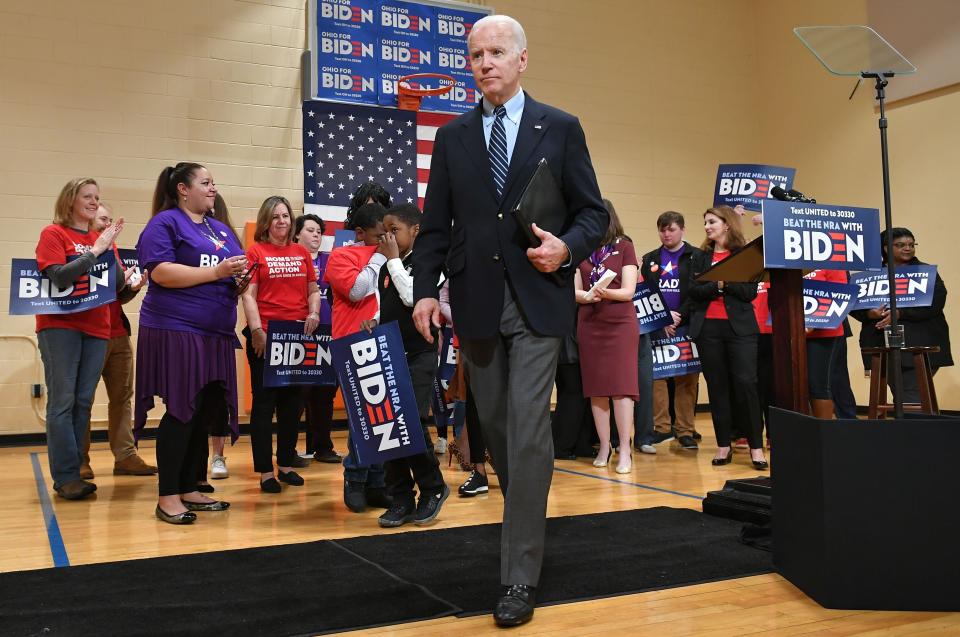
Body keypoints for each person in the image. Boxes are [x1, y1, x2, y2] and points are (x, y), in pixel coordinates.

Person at [410, 14, 608, 628]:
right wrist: (422, 291)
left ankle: (518, 575)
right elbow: (436, 226)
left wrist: (566, 248)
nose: (485, 63)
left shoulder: (561, 128)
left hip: (539, 300)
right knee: (497, 431)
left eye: (496, 52)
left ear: (522, 60)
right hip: (474, 302)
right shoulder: (452, 138)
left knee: (526, 433)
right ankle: (522, 509)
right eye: (475, 55)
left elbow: (593, 214)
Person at [136, 162, 248, 524]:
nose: (213, 188)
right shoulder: (165, 223)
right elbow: (161, 272)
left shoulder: (219, 229)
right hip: (176, 327)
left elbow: (229, 270)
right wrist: (217, 272)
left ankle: (188, 487)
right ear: (183, 189)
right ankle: (167, 496)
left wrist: (238, 281)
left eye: (214, 182)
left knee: (203, 411)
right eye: (205, 182)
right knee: (182, 409)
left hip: (215, 333)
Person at [35, 178, 125, 500]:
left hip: (98, 327)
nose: (93, 201)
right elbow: (58, 277)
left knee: (83, 402)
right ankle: (66, 476)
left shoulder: (100, 238)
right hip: (60, 327)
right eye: (87, 196)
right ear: (70, 200)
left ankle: (75, 471)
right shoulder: (54, 234)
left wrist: (130, 281)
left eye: (96, 196)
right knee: (62, 401)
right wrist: (96, 252)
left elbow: (113, 288)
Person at [361, 204, 450, 527]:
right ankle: (400, 497)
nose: (387, 236)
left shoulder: (431, 263)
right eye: (384, 230)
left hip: (419, 353)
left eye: (394, 229)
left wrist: (394, 260)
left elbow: (414, 297)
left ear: (415, 230)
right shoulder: (386, 267)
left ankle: (432, 488)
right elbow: (390, 306)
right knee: (389, 427)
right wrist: (374, 321)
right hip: (388, 353)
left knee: (410, 423)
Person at [240, 196, 321, 493]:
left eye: (285, 216)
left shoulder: (301, 252)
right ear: (266, 221)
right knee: (264, 405)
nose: (281, 221)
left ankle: (285, 464)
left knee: (293, 404)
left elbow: (313, 290)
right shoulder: (256, 252)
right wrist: (258, 330)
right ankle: (264, 471)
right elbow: (248, 295)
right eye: (275, 217)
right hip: (266, 335)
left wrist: (314, 312)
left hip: (296, 336)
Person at [323, 201, 393, 513]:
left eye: (387, 235)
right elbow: (355, 290)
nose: (384, 240)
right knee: (360, 420)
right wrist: (380, 257)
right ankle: (355, 479)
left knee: (384, 418)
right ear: (361, 233)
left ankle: (378, 483)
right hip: (352, 342)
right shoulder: (342, 255)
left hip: (384, 340)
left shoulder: (393, 254)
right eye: (379, 235)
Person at [688, 206, 768, 470]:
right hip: (708, 329)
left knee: (746, 384)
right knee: (718, 387)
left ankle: (756, 447)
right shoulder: (700, 257)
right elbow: (693, 290)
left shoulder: (746, 256)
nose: (708, 227)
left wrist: (718, 282)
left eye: (712, 222)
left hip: (740, 330)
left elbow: (748, 293)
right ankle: (724, 445)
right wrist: (721, 284)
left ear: (728, 225)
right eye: (706, 222)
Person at [85, 202, 156, 477]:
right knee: (84, 400)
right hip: (91, 335)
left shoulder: (113, 249)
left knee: (122, 397)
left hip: (118, 333)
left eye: (111, 219)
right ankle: (81, 460)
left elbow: (116, 295)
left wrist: (132, 289)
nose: (109, 224)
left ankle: (125, 456)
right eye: (104, 219)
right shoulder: (86, 250)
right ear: (90, 220)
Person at [574, 202, 639, 474]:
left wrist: (603, 293)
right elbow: (573, 291)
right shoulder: (580, 248)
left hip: (620, 323)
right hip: (589, 322)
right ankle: (604, 445)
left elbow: (628, 291)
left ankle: (625, 448)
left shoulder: (624, 246)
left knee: (621, 387)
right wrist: (587, 297)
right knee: (596, 388)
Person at [852, 227, 952, 403]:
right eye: (901, 245)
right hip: (881, 344)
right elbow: (853, 304)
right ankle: (914, 426)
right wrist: (870, 313)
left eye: (911, 244)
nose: (908, 248)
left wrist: (900, 313)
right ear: (885, 248)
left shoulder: (926, 272)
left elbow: (936, 302)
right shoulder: (871, 275)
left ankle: (912, 428)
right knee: (903, 394)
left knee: (910, 394)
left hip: (920, 343)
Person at [640, 211, 704, 452]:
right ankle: (662, 428)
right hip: (659, 326)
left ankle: (685, 430)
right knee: (656, 377)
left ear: (682, 230)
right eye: (662, 230)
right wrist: (663, 318)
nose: (666, 234)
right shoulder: (650, 259)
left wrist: (679, 316)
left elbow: (697, 291)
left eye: (671, 229)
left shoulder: (697, 256)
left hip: (686, 324)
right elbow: (646, 291)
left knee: (687, 379)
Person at [294, 213, 342, 463]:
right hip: (299, 337)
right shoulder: (292, 260)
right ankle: (289, 449)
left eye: (319, 231)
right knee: (298, 394)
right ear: (297, 233)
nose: (316, 235)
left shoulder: (331, 260)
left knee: (325, 394)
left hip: (328, 337)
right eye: (310, 230)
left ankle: (322, 447)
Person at [202, 193, 242, 481]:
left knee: (218, 395)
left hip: (221, 328)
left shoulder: (230, 240)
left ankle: (218, 454)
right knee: (194, 395)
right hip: (192, 327)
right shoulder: (189, 238)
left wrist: (243, 281)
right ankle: (192, 457)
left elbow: (237, 287)